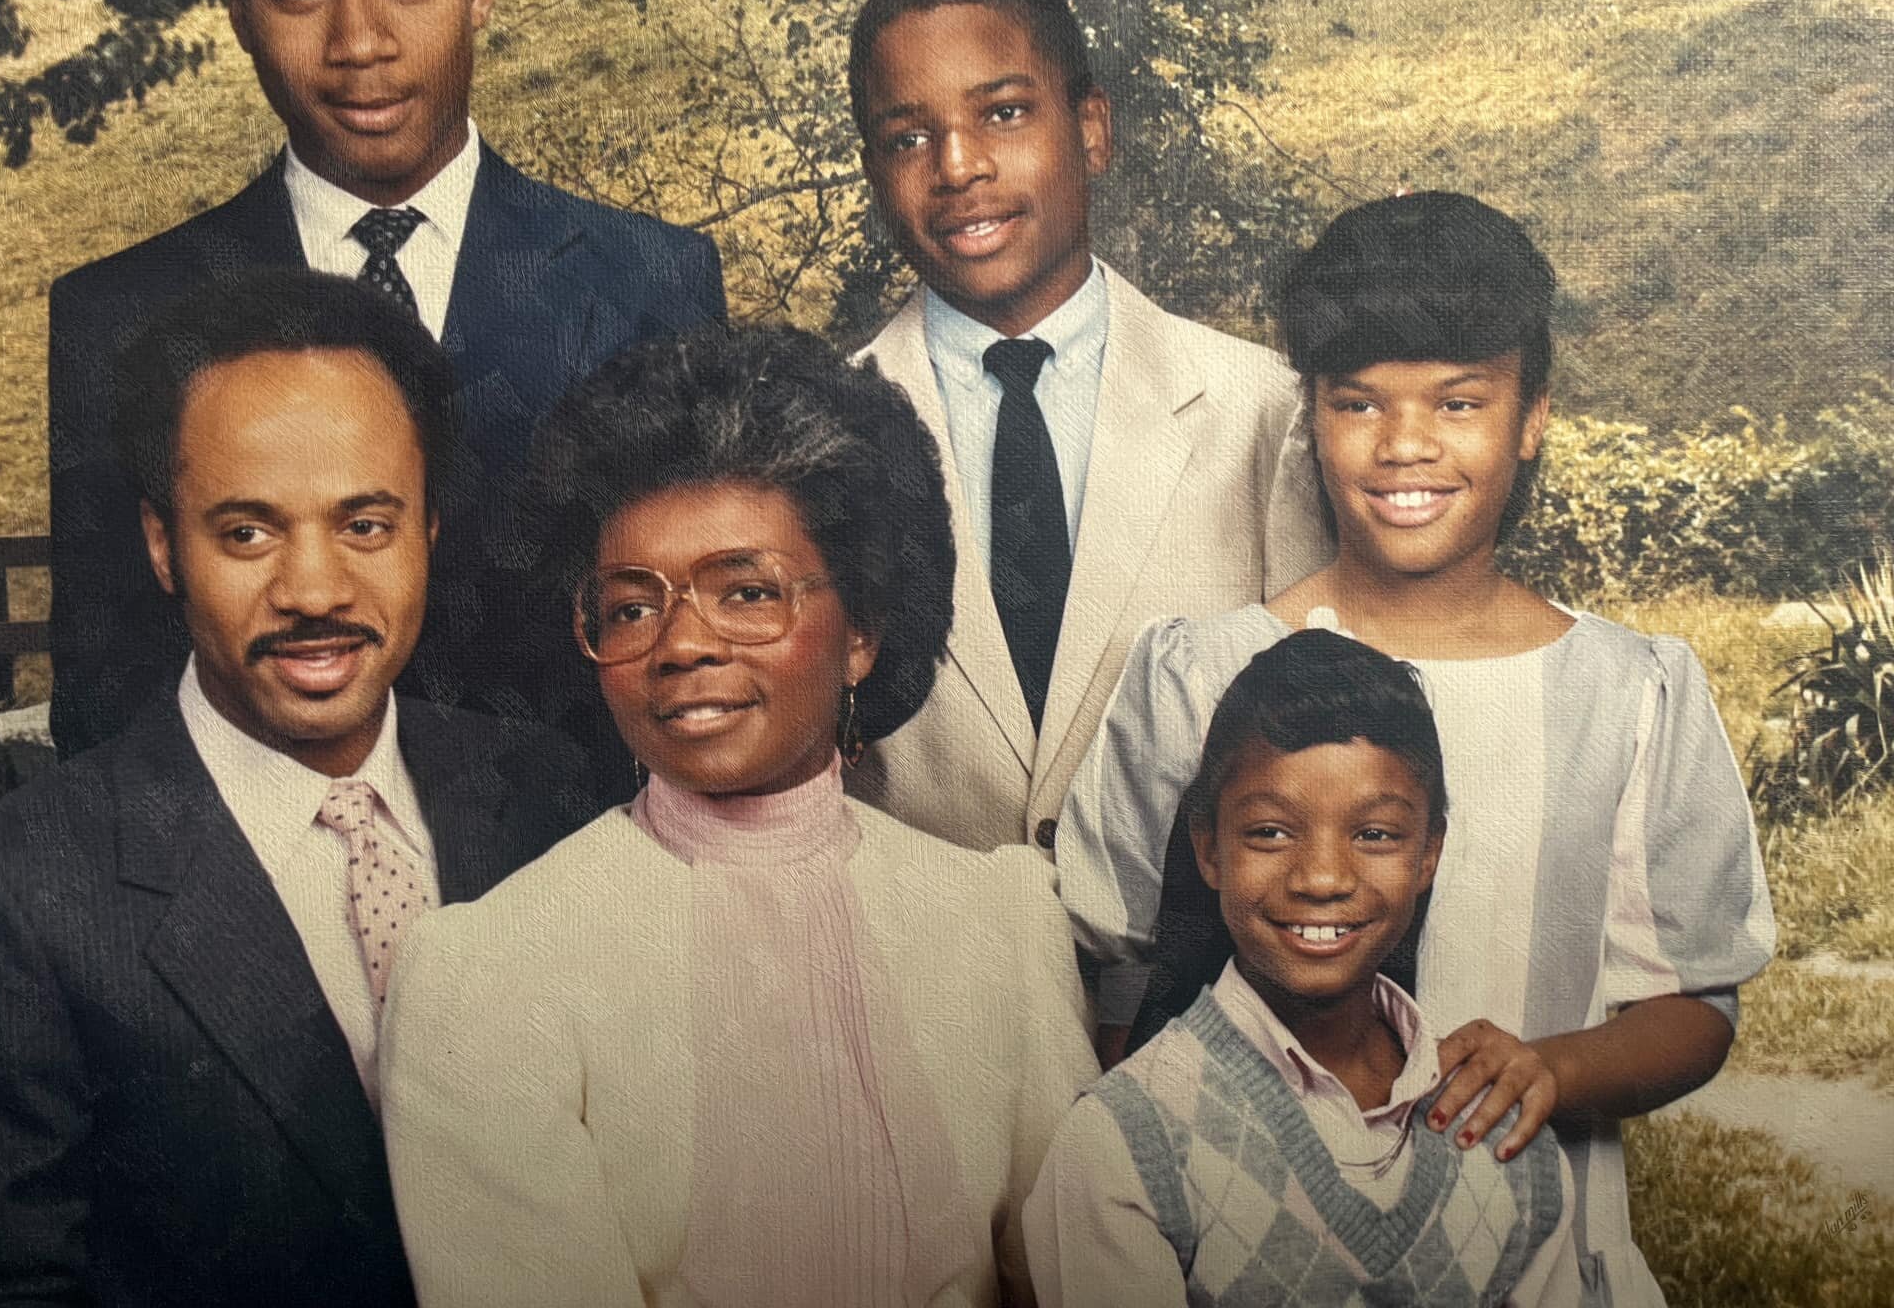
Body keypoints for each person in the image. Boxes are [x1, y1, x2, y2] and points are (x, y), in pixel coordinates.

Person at [1057, 192, 1775, 1305]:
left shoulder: (1630, 691)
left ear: (1530, 414)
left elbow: (1693, 1009)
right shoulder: (1195, 675)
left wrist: (1554, 1066)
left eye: (1456, 402)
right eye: (1357, 403)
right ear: (1308, 416)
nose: (1404, 447)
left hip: (1542, 1261)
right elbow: (1113, 984)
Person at [0, 271, 601, 1308]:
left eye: (365, 525)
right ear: (163, 543)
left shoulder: (552, 797)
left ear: (431, 527)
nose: (313, 592)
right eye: (247, 532)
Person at [380, 327, 1098, 1307]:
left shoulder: (1001, 923)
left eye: (745, 592)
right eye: (630, 607)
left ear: (861, 635)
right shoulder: (489, 972)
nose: (679, 644)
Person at [48, 0, 726, 761]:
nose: (357, 43)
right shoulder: (120, 316)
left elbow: (690, 655)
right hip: (258, 891)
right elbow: (108, 703)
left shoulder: (650, 284)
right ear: (236, 3)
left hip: (582, 879)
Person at [846, 0, 1330, 863]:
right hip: (924, 974)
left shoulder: (1261, 409)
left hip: (1192, 975)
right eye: (908, 137)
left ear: (1093, 131)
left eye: (1003, 113)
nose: (958, 165)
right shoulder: (829, 432)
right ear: (874, 170)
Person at [1027, 630, 1581, 1307]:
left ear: (1429, 854)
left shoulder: (1507, 1139)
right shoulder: (1123, 1144)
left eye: (1374, 833)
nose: (1322, 877)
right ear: (1209, 850)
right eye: (1270, 831)